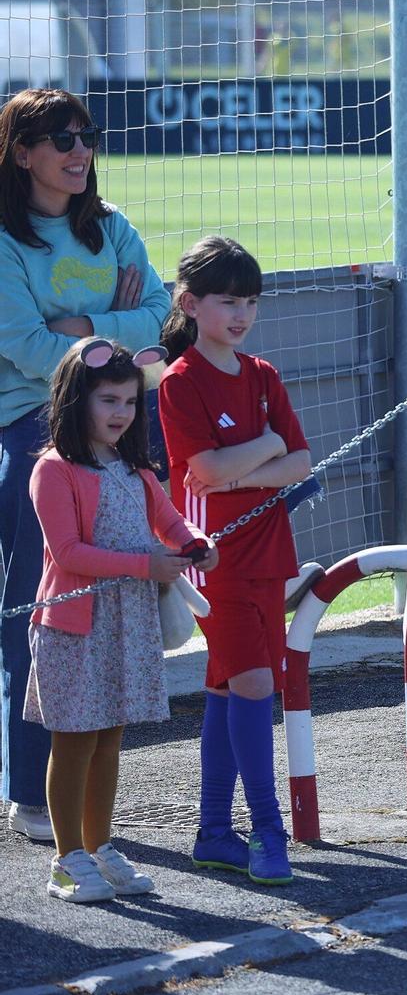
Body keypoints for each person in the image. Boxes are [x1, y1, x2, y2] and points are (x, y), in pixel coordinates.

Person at [0, 88, 169, 846]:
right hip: (34, 430)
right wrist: (112, 346)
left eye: (85, 135)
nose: (78, 150)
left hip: (123, 429)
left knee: (119, 608)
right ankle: (30, 794)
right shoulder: (5, 240)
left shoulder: (113, 228)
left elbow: (162, 318)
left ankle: (89, 818)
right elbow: (27, 349)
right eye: (59, 138)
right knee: (49, 614)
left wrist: (84, 329)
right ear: (21, 151)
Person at [27, 340, 215, 901]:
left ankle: (100, 844)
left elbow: (171, 522)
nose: (120, 413)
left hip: (127, 622)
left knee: (110, 738)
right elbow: (68, 553)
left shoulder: (136, 469)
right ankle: (67, 859)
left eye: (130, 402)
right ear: (74, 399)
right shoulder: (53, 470)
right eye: (108, 399)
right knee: (75, 741)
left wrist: (195, 545)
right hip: (72, 627)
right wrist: (146, 565)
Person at [158, 237, 311, 886]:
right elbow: (204, 472)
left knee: (227, 688)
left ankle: (214, 831)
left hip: (270, 552)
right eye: (229, 301)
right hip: (213, 560)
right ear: (191, 303)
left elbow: (300, 461)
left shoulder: (265, 375)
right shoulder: (180, 382)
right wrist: (265, 450)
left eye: (251, 300)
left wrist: (261, 451)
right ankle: (268, 831)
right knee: (255, 686)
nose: (242, 313)